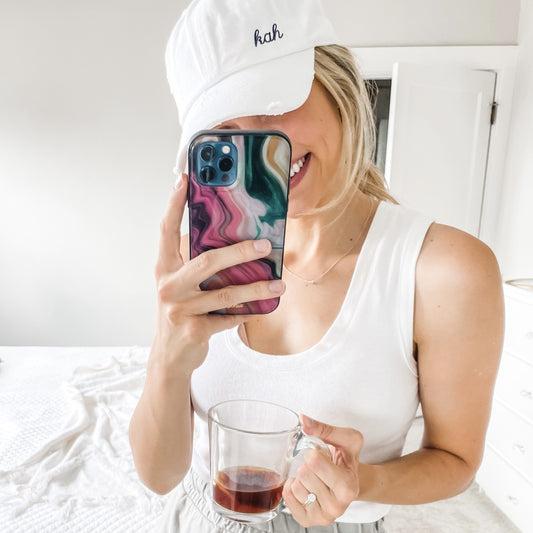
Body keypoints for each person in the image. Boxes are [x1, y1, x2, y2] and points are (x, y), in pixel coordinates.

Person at [129, 0, 505, 531]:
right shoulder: (200, 260)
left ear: (339, 84)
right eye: (227, 129)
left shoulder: (443, 271)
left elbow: (456, 461)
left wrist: (360, 481)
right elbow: (159, 474)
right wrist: (167, 356)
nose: (262, 148)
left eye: (272, 104)